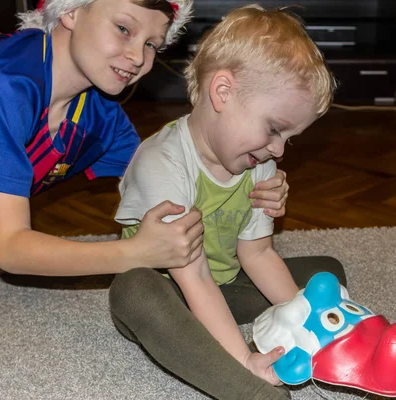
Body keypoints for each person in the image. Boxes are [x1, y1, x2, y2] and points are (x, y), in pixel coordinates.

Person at [0, 0, 290, 314]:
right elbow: (12, 249)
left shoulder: (101, 116)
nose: (137, 57)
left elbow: (172, 174)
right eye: (124, 29)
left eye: (151, 45)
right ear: (72, 11)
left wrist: (250, 181)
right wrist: (133, 253)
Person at [109, 5, 346, 400]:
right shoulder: (162, 163)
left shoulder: (259, 158)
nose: (280, 150)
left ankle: (233, 336)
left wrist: (307, 323)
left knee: (327, 275)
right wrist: (243, 360)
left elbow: (257, 255)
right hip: (170, 291)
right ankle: (243, 389)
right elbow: (193, 275)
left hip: (223, 282)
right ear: (222, 92)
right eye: (274, 129)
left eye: (289, 138)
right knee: (135, 291)